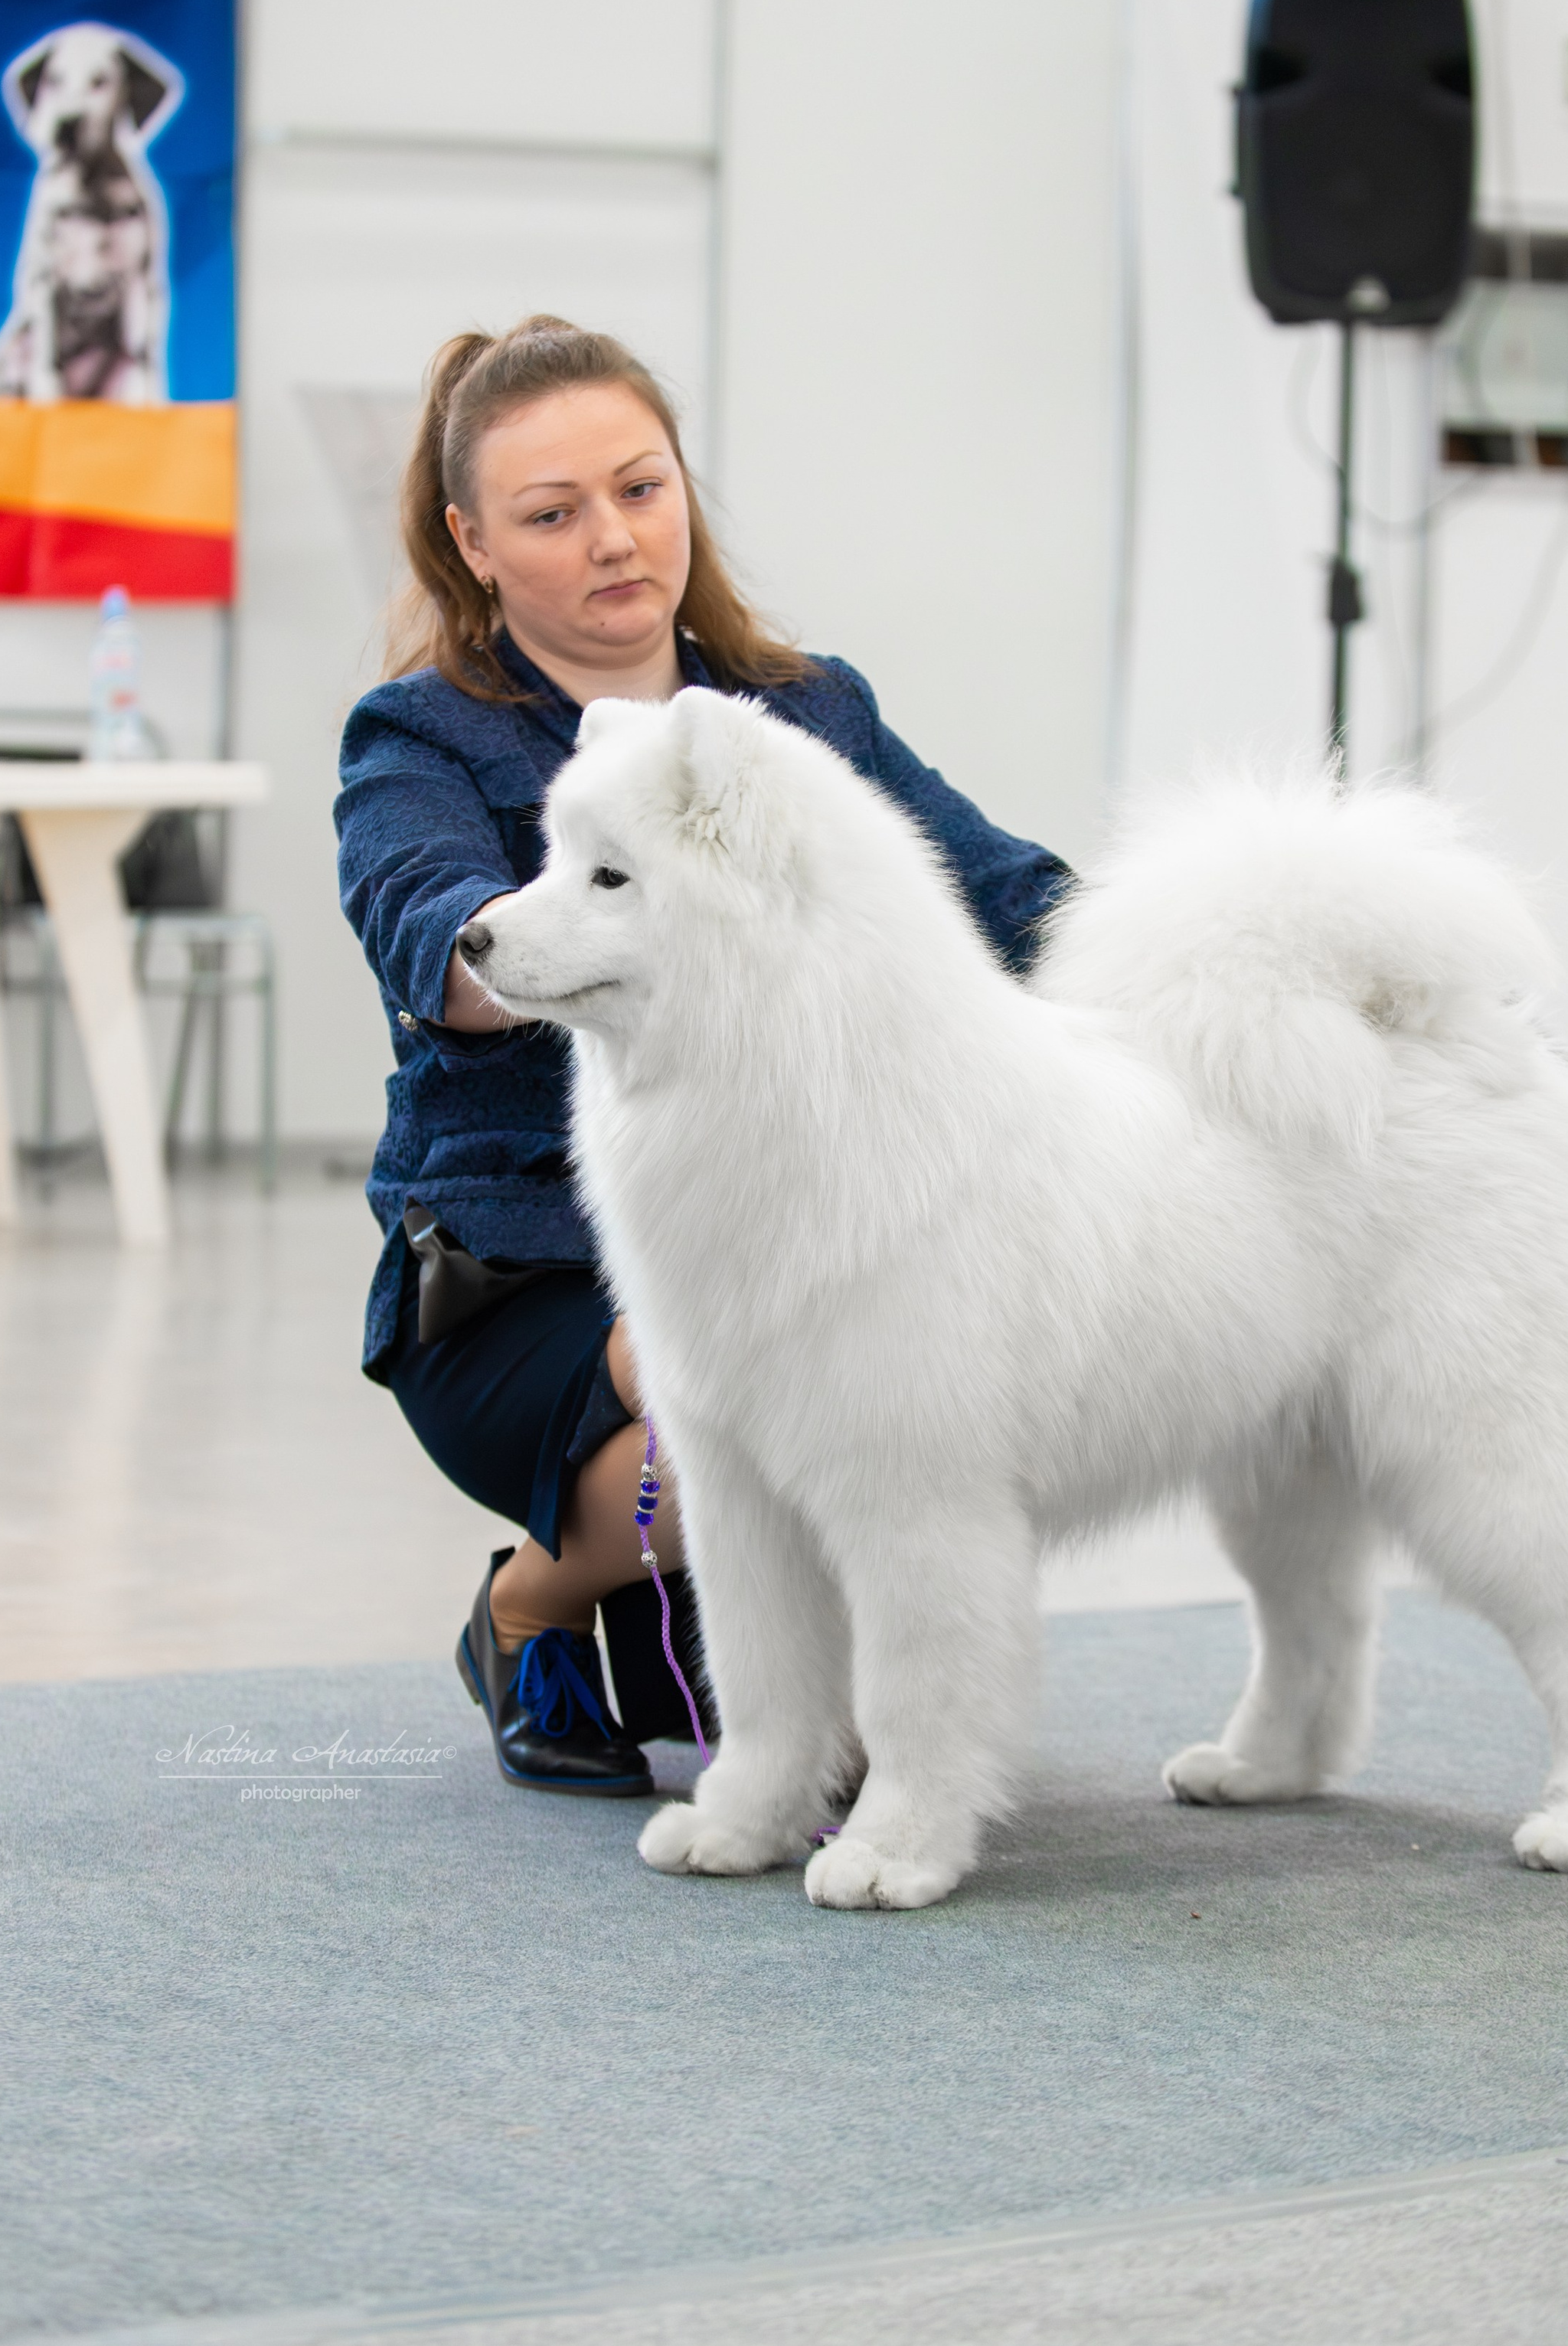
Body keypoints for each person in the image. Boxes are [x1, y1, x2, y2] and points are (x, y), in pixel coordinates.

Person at [336, 316, 1073, 1797]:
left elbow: (1003, 892)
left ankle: (716, 1631)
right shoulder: (418, 738)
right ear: (474, 544)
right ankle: (534, 1605)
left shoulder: (811, 713)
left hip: (792, 1228)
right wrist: (532, 943)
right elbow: (432, 923)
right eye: (553, 514)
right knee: (740, 1411)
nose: (615, 540)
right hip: (521, 1270)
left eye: (641, 489)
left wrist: (1204, 967)